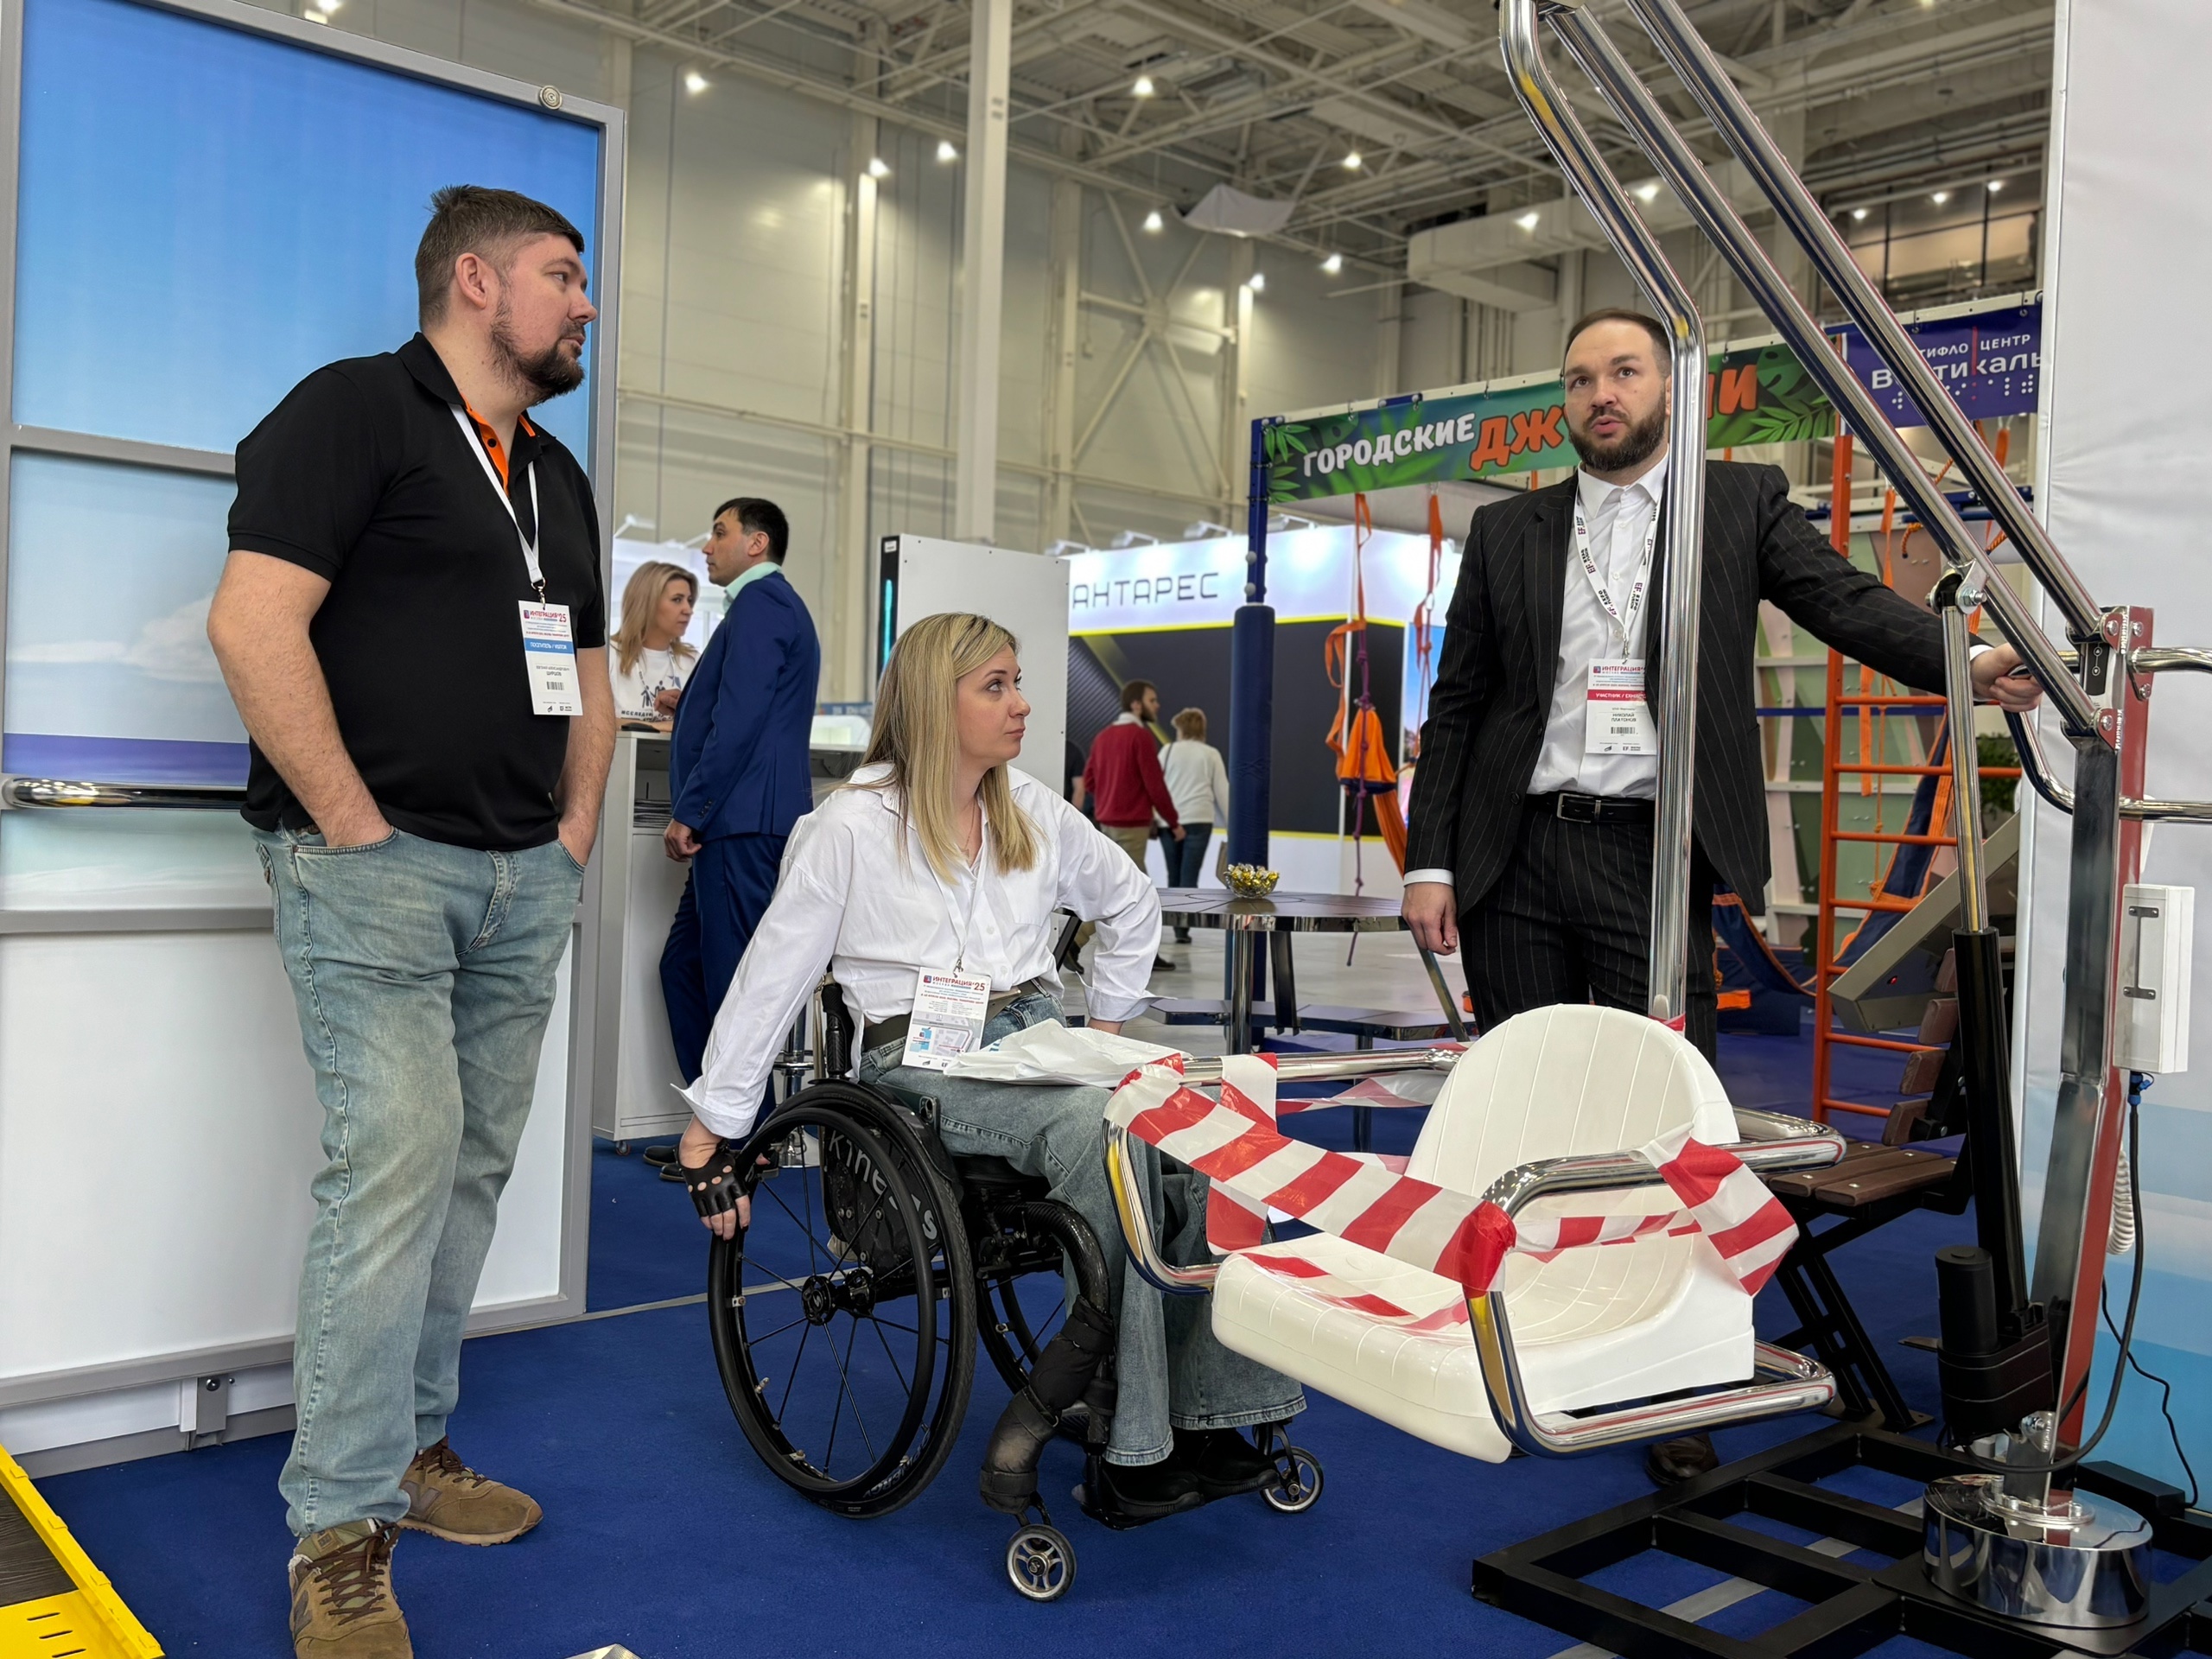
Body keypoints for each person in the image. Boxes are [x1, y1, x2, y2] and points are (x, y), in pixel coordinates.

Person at [1400, 307, 2041, 1486]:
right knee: (1528, 1105)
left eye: (1624, 371)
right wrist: (1428, 860)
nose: (1602, 393)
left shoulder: (1737, 503)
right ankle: (1536, 1338)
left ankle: (1670, 1375)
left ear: (1671, 389)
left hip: (1655, 857)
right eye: (1581, 378)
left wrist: (1966, 661)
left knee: (1666, 1121)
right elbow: (1460, 701)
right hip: (1513, 854)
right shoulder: (1506, 529)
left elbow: (1843, 601)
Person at [207, 185, 613, 1659]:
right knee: (394, 1169)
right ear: (475, 281)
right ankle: (338, 1529)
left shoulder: (553, 474)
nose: (584, 302)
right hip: (375, 870)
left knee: (466, 1173)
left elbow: (587, 675)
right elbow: (253, 622)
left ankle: (413, 1449)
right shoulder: (353, 411)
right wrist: (354, 824)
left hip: (521, 878)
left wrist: (573, 838)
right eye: (563, 274)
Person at [675, 613, 1304, 1510]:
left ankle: (1210, 1410)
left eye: (1017, 683)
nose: (1022, 705)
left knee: (1203, 1117)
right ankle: (1130, 1432)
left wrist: (1107, 1031)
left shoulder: (1030, 809)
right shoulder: (849, 826)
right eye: (996, 686)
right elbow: (772, 976)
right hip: (919, 1063)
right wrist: (714, 1124)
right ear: (937, 702)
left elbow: (1131, 901)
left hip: (1038, 1036)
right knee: (1101, 1130)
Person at [658, 497, 820, 1091]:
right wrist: (691, 704)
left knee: (733, 986)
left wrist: (691, 811)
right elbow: (748, 705)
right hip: (739, 821)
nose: (707, 546)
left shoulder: (761, 603)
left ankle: (741, 1132)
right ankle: (719, 1115)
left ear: (756, 543)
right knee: (682, 967)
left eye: (719, 533)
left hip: (740, 822)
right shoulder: (767, 606)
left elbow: (741, 721)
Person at [1080, 678, 1181, 969]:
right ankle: (1077, 940)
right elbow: (1154, 784)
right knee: (1138, 893)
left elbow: (1089, 780)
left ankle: (1077, 941)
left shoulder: (1103, 737)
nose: (1157, 706)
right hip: (1132, 825)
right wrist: (1173, 822)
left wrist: (1111, 794)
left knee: (1116, 887)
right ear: (1136, 704)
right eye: (1152, 700)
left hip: (1107, 823)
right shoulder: (1140, 737)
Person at [1157, 707, 1228, 939]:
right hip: (1199, 819)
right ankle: (1182, 928)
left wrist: (1157, 817)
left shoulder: (1168, 750)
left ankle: (1174, 922)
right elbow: (1223, 792)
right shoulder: (1211, 754)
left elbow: (1158, 786)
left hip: (1169, 823)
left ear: (1181, 728)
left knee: (1173, 875)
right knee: (1189, 877)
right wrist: (1233, 828)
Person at [607, 560, 698, 728]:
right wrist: (663, 727)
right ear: (647, 603)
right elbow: (595, 722)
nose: (688, 610)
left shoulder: (693, 661)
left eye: (689, 600)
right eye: (677, 600)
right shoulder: (608, 655)